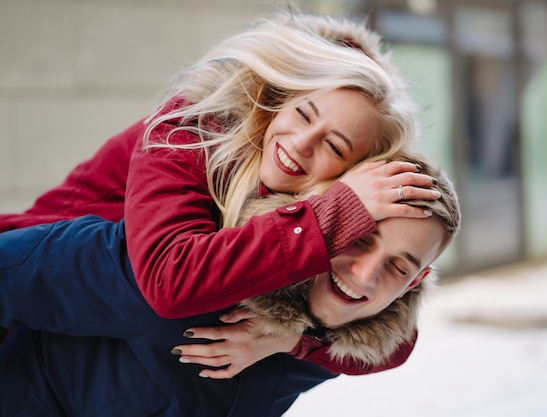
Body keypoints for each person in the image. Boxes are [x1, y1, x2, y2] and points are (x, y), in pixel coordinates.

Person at [0, 11, 440, 374]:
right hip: (25, 293)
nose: (303, 143)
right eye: (304, 114)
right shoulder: (194, 126)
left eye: (334, 146)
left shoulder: (312, 202)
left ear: (351, 172)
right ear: (280, 98)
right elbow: (166, 281)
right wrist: (334, 215)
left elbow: (393, 337)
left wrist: (294, 340)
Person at [0, 151, 460, 417]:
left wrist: (296, 341)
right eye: (359, 238)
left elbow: (392, 346)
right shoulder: (178, 266)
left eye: (398, 268)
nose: (364, 274)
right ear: (326, 211)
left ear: (415, 284)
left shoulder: (342, 335)